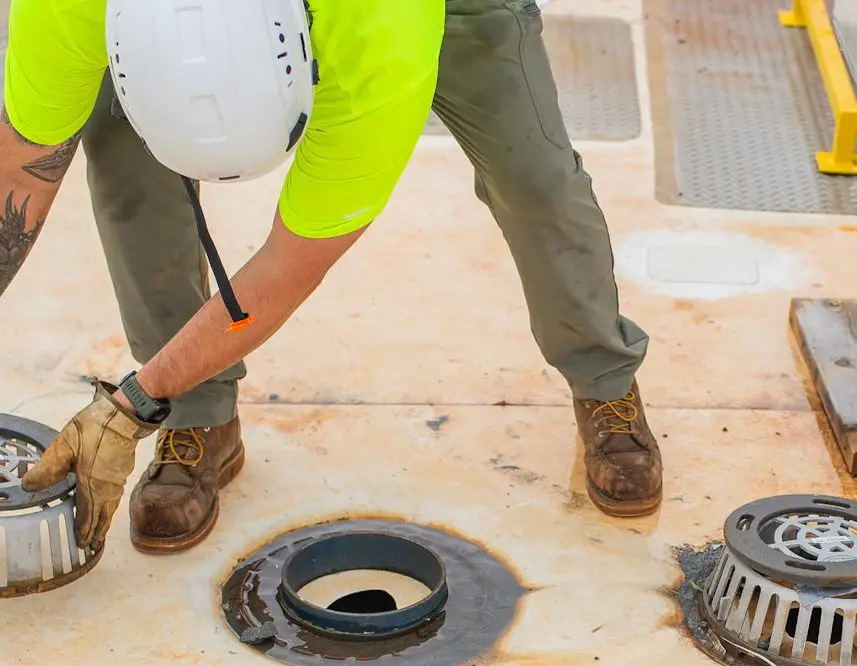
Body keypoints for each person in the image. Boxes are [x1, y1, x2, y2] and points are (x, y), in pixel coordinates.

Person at [5, 0, 663, 555]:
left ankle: (601, 377)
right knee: (124, 170)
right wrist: (155, 399)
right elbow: (17, 177)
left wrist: (129, 406)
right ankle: (198, 415)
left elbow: (288, 268)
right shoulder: (72, 10)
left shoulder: (383, 43)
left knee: (534, 179)